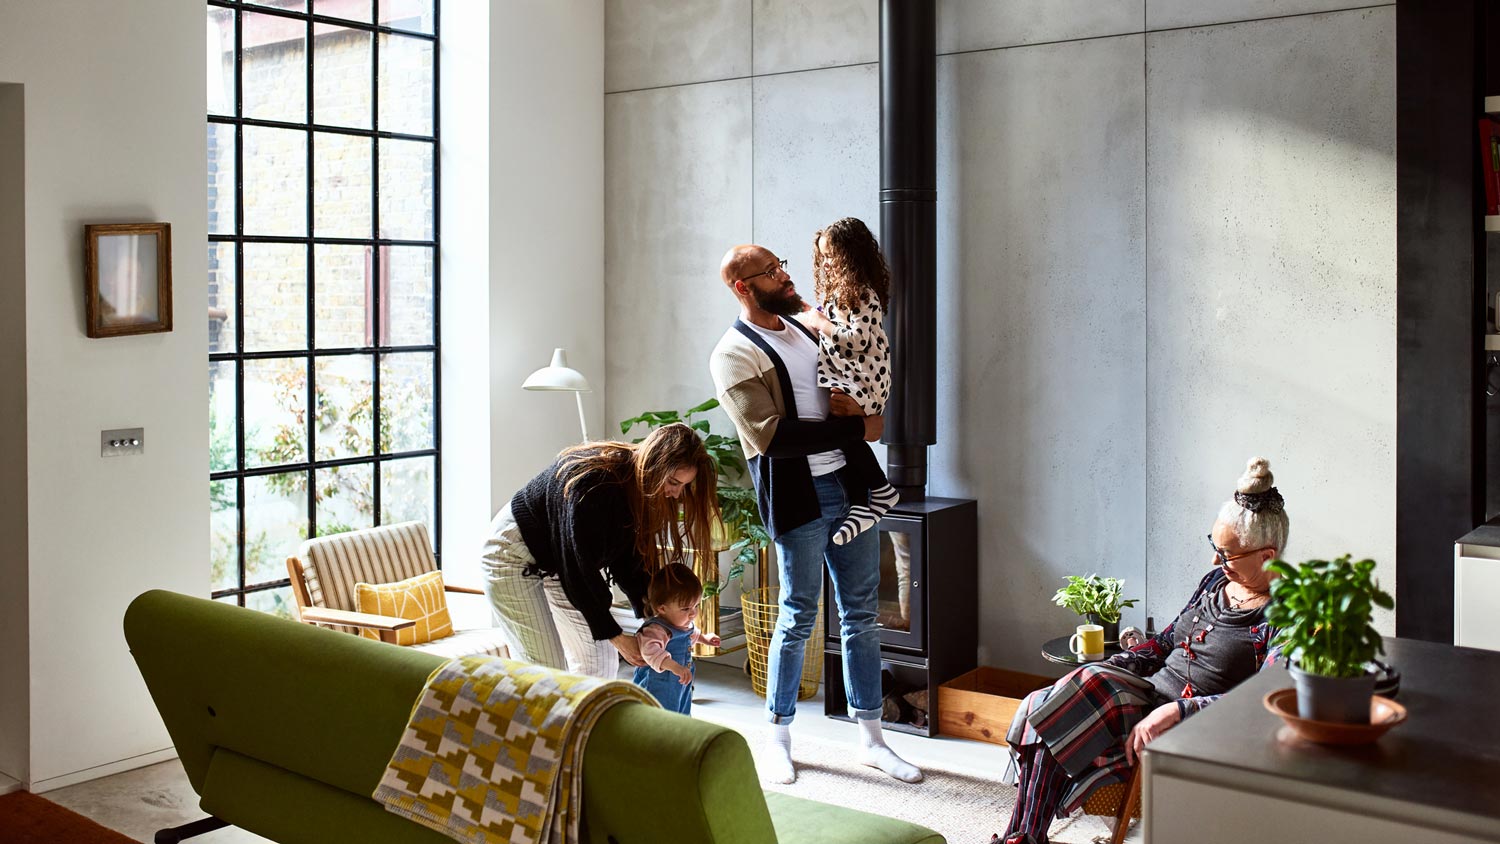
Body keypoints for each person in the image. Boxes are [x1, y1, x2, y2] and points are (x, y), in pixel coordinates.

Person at [709, 243, 923, 785]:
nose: (785, 276)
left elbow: (857, 373)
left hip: (849, 487)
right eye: (770, 272)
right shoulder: (734, 353)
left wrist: (867, 412)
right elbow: (770, 436)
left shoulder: (809, 326)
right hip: (799, 496)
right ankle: (779, 737)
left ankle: (872, 740)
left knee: (861, 615)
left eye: (781, 265)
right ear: (742, 287)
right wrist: (859, 429)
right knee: (798, 614)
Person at [992, 457, 1290, 844]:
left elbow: (1261, 700)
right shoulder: (1214, 582)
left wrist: (1178, 709)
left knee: (1049, 709)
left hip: (1193, 724)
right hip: (1145, 694)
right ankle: (1026, 838)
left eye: (1227, 554)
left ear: (1267, 557)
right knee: (1051, 701)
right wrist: (1117, 663)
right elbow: (1164, 643)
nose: (1215, 560)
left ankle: (1023, 838)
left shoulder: (1288, 611)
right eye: (1213, 546)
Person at [479, 422, 718, 679]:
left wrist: (653, 612)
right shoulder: (594, 484)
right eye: (673, 482)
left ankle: (583, 719)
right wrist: (617, 636)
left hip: (557, 561)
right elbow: (580, 570)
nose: (676, 494)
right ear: (655, 464)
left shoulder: (635, 492)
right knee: (546, 671)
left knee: (599, 661)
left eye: (683, 486)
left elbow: (626, 559)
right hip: (512, 553)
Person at [795, 217, 899, 546]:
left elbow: (857, 340)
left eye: (831, 256)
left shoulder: (863, 294)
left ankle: (879, 492)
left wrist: (819, 322)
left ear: (850, 256)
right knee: (844, 436)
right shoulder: (845, 293)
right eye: (822, 256)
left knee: (843, 431)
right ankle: (861, 504)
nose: (826, 262)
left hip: (867, 382)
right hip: (856, 379)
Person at [631, 562, 721, 714]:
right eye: (686, 608)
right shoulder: (656, 630)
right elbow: (650, 652)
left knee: (681, 710)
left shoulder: (681, 624)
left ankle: (680, 730)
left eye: (696, 606)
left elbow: (688, 635)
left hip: (680, 681)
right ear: (662, 608)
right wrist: (674, 667)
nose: (693, 613)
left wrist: (704, 638)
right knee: (659, 714)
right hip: (658, 683)